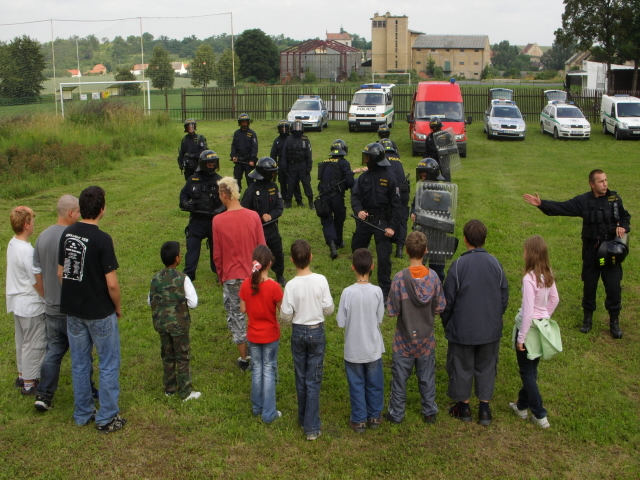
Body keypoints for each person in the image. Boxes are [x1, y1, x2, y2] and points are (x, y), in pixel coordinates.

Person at [523, 169, 631, 339]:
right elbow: (562, 207)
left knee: (613, 287)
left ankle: (614, 322)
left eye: (606, 180)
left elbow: (625, 217)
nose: (605, 184)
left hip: (610, 254)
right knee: (589, 286)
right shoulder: (584, 201)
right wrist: (542, 204)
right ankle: (587, 319)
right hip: (592, 253)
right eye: (601, 181)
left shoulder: (615, 199)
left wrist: (623, 226)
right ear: (592, 184)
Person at [58, 186, 126, 432]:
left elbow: (60, 273)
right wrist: (117, 307)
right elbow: (112, 283)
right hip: (100, 312)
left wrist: (76, 294)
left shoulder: (68, 234)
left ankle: (83, 412)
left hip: (74, 311)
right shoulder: (102, 239)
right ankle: (107, 417)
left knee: (79, 362)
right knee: (108, 363)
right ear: (101, 209)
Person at [441, 219, 508, 426]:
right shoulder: (496, 264)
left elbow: (447, 300)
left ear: (465, 240)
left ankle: (464, 407)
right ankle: (484, 409)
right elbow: (503, 297)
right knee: (487, 366)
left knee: (461, 365)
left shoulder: (458, 265)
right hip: (489, 328)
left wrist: (448, 322)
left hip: (463, 329)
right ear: (484, 240)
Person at [33, 195, 97, 411]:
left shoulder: (41, 236)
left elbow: (37, 273)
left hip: (50, 306)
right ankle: (88, 389)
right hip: (72, 309)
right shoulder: (74, 237)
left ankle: (43, 395)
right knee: (82, 353)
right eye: (78, 212)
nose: (79, 215)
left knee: (53, 352)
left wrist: (46, 296)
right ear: (71, 213)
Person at [385, 231, 446, 425]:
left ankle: (396, 413)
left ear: (406, 250)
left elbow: (392, 311)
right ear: (426, 251)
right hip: (426, 340)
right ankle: (429, 410)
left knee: (399, 379)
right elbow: (440, 307)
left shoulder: (399, 279)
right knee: (427, 376)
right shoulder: (434, 278)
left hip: (403, 341)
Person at [280, 239, 335, 441]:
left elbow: (285, 315)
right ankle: (311, 426)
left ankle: (304, 418)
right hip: (316, 330)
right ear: (311, 257)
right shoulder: (321, 280)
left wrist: (294, 313)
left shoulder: (291, 285)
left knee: (301, 375)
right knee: (313, 378)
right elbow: (329, 308)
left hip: (298, 331)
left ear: (292, 260)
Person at [213, 177, 266, 371]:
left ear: (224, 194)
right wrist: (259, 273)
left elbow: (217, 254)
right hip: (253, 275)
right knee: (256, 314)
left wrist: (221, 275)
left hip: (232, 277)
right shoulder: (253, 216)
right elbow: (262, 248)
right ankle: (259, 350)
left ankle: (245, 358)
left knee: (236, 316)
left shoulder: (218, 220)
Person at [509, 236, 559, 429]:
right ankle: (521, 406)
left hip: (528, 331)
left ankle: (539, 414)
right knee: (531, 370)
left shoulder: (529, 279)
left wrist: (520, 338)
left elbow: (528, 310)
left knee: (527, 373)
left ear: (529, 254)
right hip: (540, 330)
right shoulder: (548, 274)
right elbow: (554, 299)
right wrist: (544, 317)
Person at [336, 248, 385, 433]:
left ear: (352, 268)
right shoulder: (377, 291)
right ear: (372, 266)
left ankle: (359, 420)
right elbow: (379, 318)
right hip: (372, 348)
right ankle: (374, 416)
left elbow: (340, 321)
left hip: (353, 349)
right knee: (375, 383)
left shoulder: (347, 293)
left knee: (356, 384)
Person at [148, 241, 200, 402]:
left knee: (167, 355)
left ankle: (169, 389)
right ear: (177, 258)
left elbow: (150, 301)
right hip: (179, 325)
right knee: (182, 356)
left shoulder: (155, 279)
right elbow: (193, 302)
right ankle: (185, 391)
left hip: (162, 325)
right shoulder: (182, 278)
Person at [351, 142, 402, 299]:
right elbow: (355, 196)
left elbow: (397, 206)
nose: (365, 160)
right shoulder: (363, 178)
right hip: (366, 221)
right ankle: (362, 279)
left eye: (367, 157)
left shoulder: (390, 178)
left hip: (383, 223)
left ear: (375, 159)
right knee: (357, 249)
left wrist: (392, 227)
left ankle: (385, 290)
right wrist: (358, 210)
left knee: (384, 256)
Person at [239, 245, 284, 424]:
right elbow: (283, 311)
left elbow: (242, 309)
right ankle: (269, 412)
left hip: (253, 335)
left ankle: (257, 407)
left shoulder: (245, 283)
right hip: (271, 335)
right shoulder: (274, 287)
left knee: (257, 369)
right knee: (269, 370)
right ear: (270, 263)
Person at [6, 206, 46, 396]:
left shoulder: (13, 243)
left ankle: (22, 374)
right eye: (32, 221)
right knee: (33, 343)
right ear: (26, 225)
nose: (34, 224)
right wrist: (46, 297)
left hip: (17, 303)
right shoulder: (27, 252)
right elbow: (35, 281)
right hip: (30, 305)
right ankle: (29, 383)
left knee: (21, 341)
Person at [179, 150, 225, 283]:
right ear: (203, 164)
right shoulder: (193, 179)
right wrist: (186, 204)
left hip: (214, 221)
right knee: (192, 249)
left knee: (217, 251)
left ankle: (219, 273)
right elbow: (183, 196)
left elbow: (226, 201)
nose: (211, 165)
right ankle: (188, 276)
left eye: (213, 163)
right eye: (209, 163)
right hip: (197, 221)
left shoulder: (220, 180)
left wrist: (219, 210)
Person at [410, 158, 459, 283]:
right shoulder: (421, 190)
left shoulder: (444, 193)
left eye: (424, 174)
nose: (422, 177)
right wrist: (413, 214)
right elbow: (414, 206)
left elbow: (445, 217)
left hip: (438, 236)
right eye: (421, 174)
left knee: (437, 268)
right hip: (422, 234)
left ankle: (436, 289)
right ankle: (417, 286)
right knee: (418, 264)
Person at [241, 157, 287, 287]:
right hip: (257, 229)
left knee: (277, 251)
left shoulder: (274, 187)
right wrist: (256, 218)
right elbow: (244, 210)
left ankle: (279, 275)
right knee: (257, 254)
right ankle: (256, 277)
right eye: (272, 172)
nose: (274, 175)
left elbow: (279, 206)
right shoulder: (251, 189)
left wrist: (271, 216)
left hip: (271, 227)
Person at [316, 139, 355, 259]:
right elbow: (350, 182)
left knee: (327, 221)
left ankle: (332, 243)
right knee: (339, 219)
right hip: (337, 196)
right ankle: (338, 241)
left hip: (323, 196)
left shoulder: (324, 162)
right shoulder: (344, 163)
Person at [379, 138, 410, 259]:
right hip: (403, 191)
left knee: (386, 217)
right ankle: (400, 248)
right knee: (402, 218)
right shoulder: (398, 159)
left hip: (389, 192)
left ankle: (387, 245)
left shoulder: (381, 159)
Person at [281, 121, 314, 209]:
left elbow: (309, 154)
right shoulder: (288, 139)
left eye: (299, 127)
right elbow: (284, 154)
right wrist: (284, 166)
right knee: (291, 185)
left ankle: (311, 202)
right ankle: (288, 202)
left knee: (306, 184)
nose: (297, 129)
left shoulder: (305, 139)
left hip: (302, 165)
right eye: (296, 127)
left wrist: (309, 166)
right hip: (292, 165)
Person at [270, 119, 302, 206]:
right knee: (283, 182)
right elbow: (273, 154)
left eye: (285, 128)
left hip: (291, 163)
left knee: (294, 182)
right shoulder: (277, 141)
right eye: (282, 128)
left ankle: (299, 200)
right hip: (281, 164)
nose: (284, 130)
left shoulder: (292, 138)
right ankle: (285, 199)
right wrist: (274, 165)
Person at [230, 113, 258, 193]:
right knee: (237, 180)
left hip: (249, 162)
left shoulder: (252, 133)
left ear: (248, 122)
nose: (244, 124)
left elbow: (254, 148)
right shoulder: (237, 133)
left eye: (245, 122)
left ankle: (252, 195)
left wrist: (252, 159)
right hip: (239, 161)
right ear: (240, 123)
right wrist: (233, 156)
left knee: (250, 180)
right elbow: (234, 145)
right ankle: (237, 196)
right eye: (242, 122)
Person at [424, 117, 452, 182]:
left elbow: (451, 147)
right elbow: (426, 152)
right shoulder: (430, 137)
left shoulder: (445, 135)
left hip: (443, 160)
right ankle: (437, 190)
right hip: (435, 161)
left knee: (445, 178)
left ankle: (446, 189)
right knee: (434, 178)